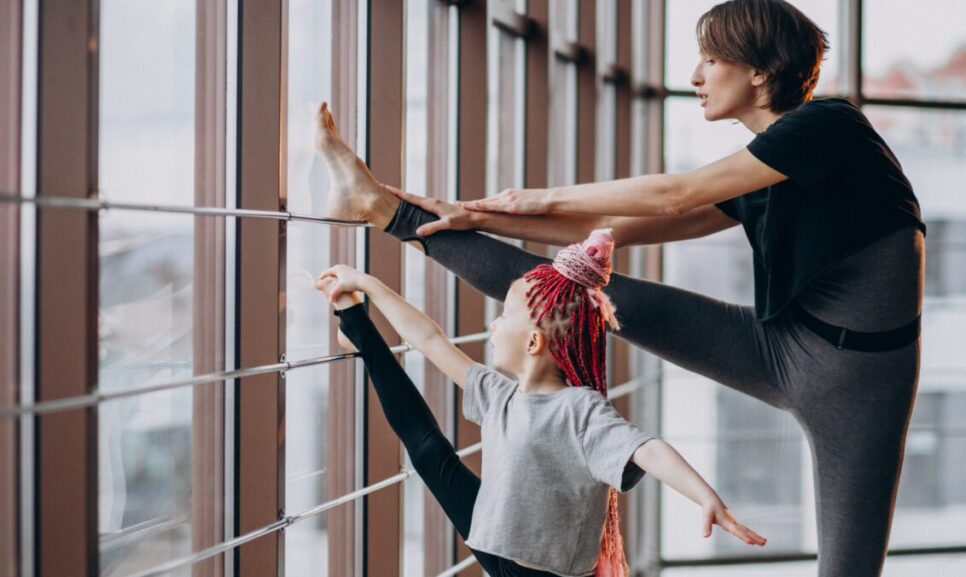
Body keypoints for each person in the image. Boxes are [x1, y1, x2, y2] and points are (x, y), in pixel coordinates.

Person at [312, 0, 925, 573]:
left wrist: (536, 196)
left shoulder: (830, 127)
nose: (696, 75)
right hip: (779, 345)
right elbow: (618, 226)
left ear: (761, 72)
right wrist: (474, 213)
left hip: (859, 382)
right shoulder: (766, 166)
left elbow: (674, 193)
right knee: (556, 294)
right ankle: (381, 209)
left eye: (711, 59)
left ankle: (384, 210)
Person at [314, 229, 765, 577]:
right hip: (492, 533)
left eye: (505, 314)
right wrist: (368, 285)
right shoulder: (502, 395)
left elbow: (648, 449)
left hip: (540, 570)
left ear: (533, 341)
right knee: (427, 449)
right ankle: (357, 325)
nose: (493, 324)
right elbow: (430, 340)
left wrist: (704, 495)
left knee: (429, 451)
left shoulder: (580, 411)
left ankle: (357, 330)